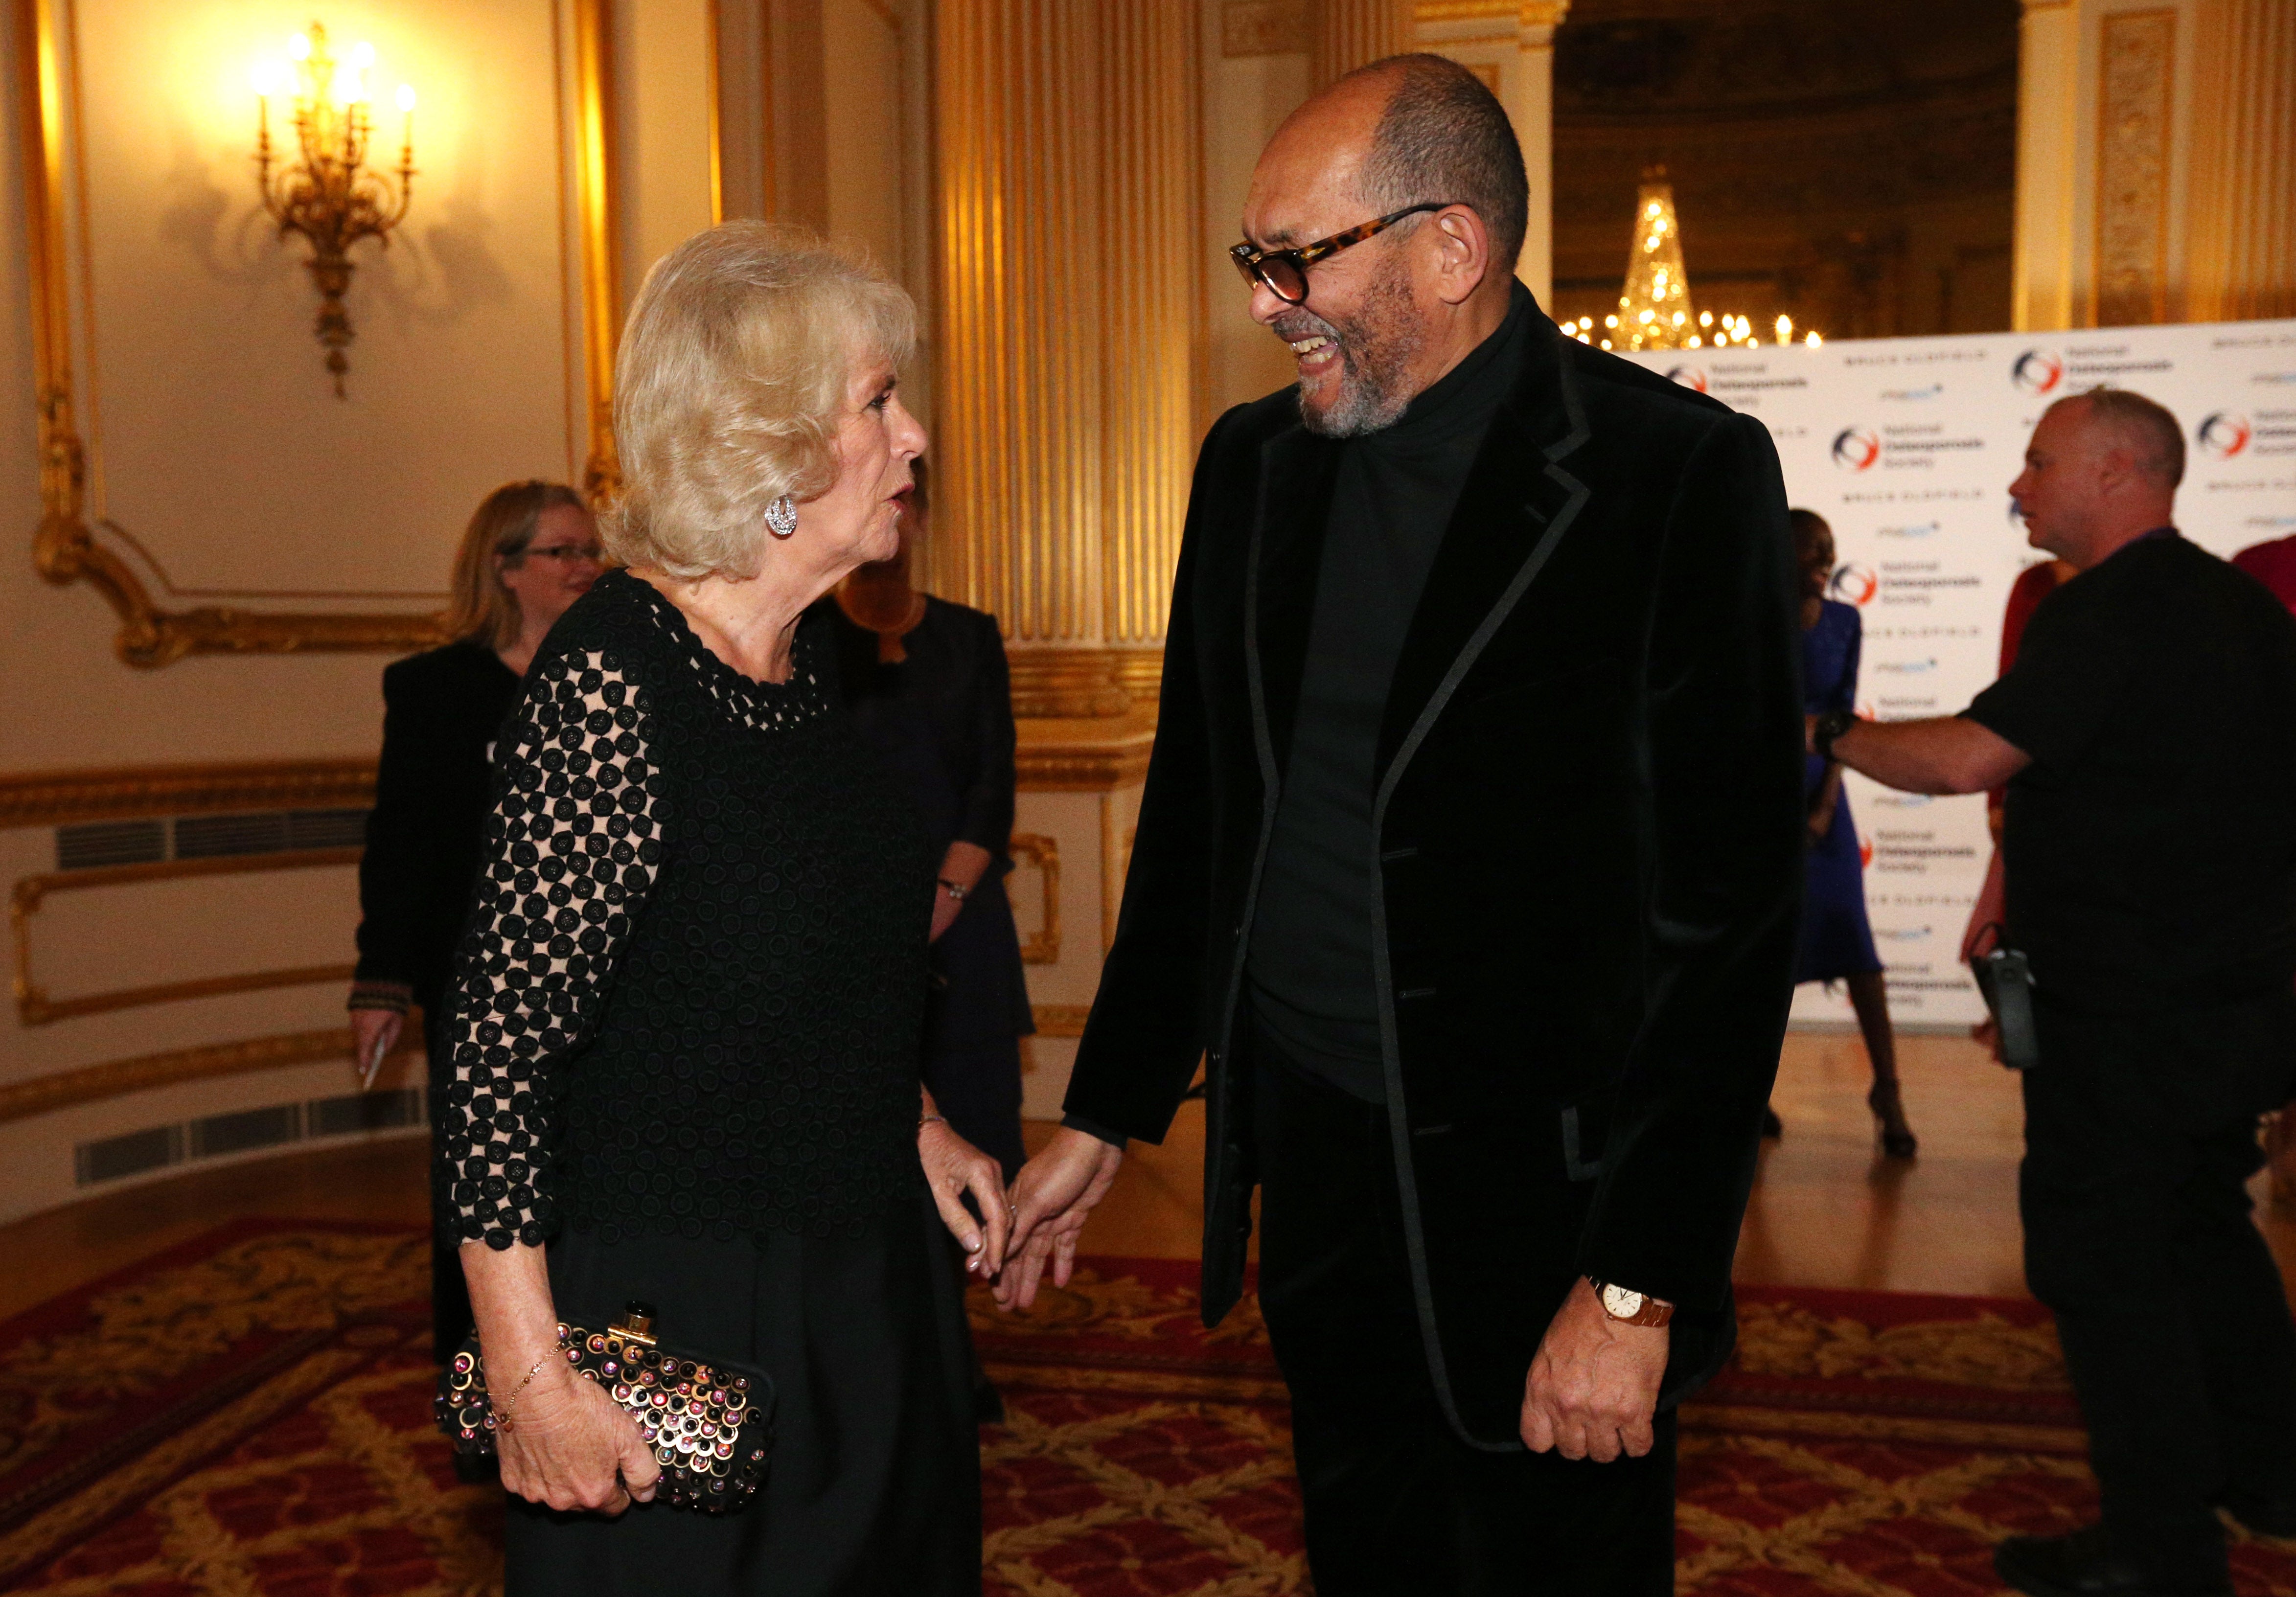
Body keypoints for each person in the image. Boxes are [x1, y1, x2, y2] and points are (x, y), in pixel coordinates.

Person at [998, 55, 1804, 1595]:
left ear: (1450, 250)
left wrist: (1635, 1290)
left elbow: (1726, 928)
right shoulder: (1251, 468)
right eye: (1255, 262)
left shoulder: (1672, 474)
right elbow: (1200, 813)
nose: (1264, 303)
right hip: (1309, 1164)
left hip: (1546, 1204)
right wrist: (1106, 1114)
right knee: (1363, 1552)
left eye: (1295, 259)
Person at [441, 222, 1008, 1596]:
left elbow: (786, 965)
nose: (916, 434)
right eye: (879, 401)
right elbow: (495, 1061)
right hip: (684, 1319)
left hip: (866, 1291)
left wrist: (913, 1121)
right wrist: (529, 1379)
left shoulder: (804, 668)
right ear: (767, 449)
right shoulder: (612, 680)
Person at [1814, 388, 2296, 1597]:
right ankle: (2272, 1472)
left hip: (2127, 1018)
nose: (2017, 487)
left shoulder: (2111, 613)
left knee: (2105, 1267)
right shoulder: (2241, 608)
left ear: (2120, 471)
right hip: (2233, 1006)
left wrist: (1827, 734)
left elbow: (1971, 755)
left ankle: (2161, 1546)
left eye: (2037, 464)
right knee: (2204, 1225)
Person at [349, 479, 602, 1363]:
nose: (584, 567)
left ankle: (598, 1368)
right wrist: (382, 980)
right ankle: (485, 1389)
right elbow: (402, 842)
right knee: (484, 1193)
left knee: (598, 1185)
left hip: (606, 979)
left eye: (589, 550)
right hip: (478, 985)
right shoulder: (433, 690)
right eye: (561, 551)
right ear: (503, 569)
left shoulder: (614, 673)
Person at [827, 458, 1033, 1184]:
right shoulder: (803, 636)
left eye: (910, 500)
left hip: (964, 923)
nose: (899, 513)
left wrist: (942, 902)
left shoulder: (969, 636)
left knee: (978, 1127)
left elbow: (992, 785)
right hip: (842, 929)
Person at [1782, 509, 1915, 1157]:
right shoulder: (1747, 614)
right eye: (1811, 547)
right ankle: (1755, 1095)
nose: (1825, 557)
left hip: (1826, 801)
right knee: (1764, 955)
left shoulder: (1846, 619)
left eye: (1829, 547)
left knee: (1855, 946)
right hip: (1756, 797)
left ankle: (1888, 1090)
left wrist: (1825, 806)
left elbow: (1842, 717)